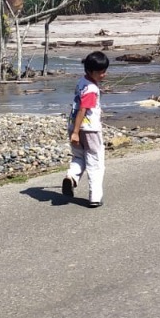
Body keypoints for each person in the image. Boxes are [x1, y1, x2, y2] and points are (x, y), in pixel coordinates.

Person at [62, 50, 110, 208]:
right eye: (101, 72)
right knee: (95, 162)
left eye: (104, 71)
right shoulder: (91, 89)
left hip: (73, 125)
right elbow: (83, 109)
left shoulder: (81, 82)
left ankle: (72, 177)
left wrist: (74, 131)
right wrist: (76, 132)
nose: (104, 75)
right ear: (90, 71)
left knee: (79, 157)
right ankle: (95, 196)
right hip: (89, 129)